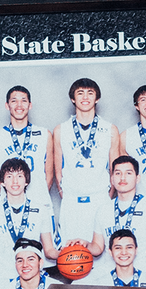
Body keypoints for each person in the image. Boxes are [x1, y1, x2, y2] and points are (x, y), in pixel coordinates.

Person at [86, 155, 146, 280]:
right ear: (112, 179)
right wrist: (84, 245)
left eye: (128, 173)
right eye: (118, 173)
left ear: (137, 178)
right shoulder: (103, 209)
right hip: (109, 274)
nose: (122, 178)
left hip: (140, 276)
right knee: (76, 287)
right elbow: (97, 247)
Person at [53, 77, 119, 243]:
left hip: (100, 198)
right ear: (72, 99)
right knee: (70, 254)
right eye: (80, 93)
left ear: (97, 98)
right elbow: (58, 172)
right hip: (72, 200)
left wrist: (106, 198)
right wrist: (68, 195)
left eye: (90, 93)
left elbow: (114, 169)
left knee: (102, 253)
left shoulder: (110, 129)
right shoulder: (61, 130)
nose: (85, 97)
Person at [0, 158, 56, 289]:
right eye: (9, 177)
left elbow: (49, 250)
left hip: (31, 275)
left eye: (19, 176)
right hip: (3, 276)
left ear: (27, 181)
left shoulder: (41, 210)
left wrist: (68, 253)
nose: (15, 181)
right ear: (2, 182)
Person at [0, 85, 54, 197]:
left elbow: (49, 175)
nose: (19, 105)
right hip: (9, 204)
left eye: (23, 101)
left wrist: (38, 198)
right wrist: (11, 200)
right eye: (14, 101)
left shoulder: (44, 134)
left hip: (40, 202)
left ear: (30, 105)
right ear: (7, 105)